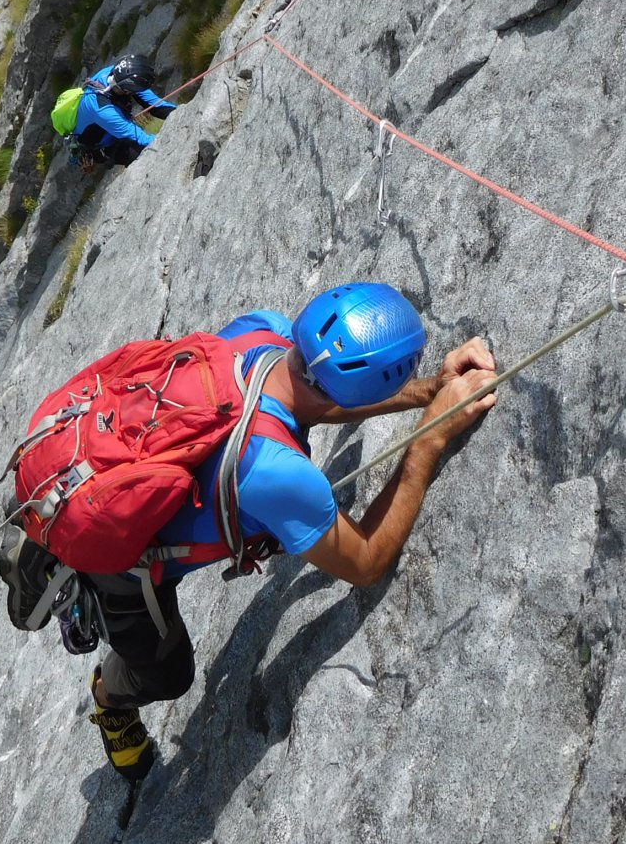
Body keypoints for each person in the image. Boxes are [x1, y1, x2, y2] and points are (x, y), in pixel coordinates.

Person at [79, 282, 498, 780]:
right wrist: (427, 440)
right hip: (121, 561)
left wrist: (429, 390)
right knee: (169, 675)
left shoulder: (267, 332)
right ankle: (109, 697)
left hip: (107, 452)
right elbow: (365, 562)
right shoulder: (275, 472)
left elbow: (312, 397)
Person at [70, 53, 177, 168]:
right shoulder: (103, 110)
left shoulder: (119, 73)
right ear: (127, 90)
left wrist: (179, 113)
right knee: (142, 158)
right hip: (104, 145)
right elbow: (139, 138)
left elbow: (155, 105)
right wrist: (172, 143)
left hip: (110, 127)